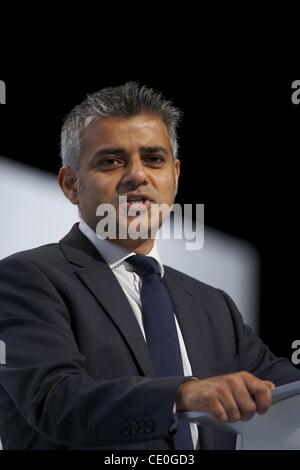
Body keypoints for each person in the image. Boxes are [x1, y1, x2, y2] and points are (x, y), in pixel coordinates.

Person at [0, 82, 299, 451]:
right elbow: (56, 401)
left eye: (153, 159)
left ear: (175, 176)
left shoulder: (213, 306)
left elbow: (285, 389)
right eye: (111, 161)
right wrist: (183, 393)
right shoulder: (25, 280)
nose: (137, 175)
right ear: (71, 184)